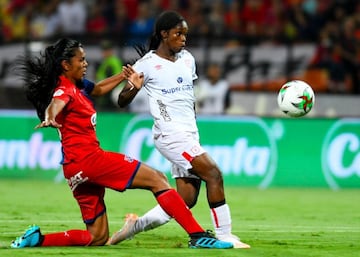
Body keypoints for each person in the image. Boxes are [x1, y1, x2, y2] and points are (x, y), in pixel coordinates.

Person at [10, 38, 233, 249]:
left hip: (73, 169)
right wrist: (50, 116)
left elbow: (97, 89)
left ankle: (38, 240)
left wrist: (123, 76)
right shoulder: (65, 89)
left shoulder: (77, 85)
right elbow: (57, 102)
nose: (86, 63)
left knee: (97, 236)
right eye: (81, 60)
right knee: (158, 179)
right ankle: (198, 236)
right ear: (66, 65)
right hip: (91, 161)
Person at [112, 11, 250, 249]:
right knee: (213, 174)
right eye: (178, 33)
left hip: (189, 132)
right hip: (170, 134)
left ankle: (135, 225)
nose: (183, 38)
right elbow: (122, 101)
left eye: (185, 34)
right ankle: (225, 235)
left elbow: (188, 97)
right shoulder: (146, 64)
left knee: (185, 200)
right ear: (164, 34)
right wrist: (133, 88)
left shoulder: (188, 59)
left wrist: (192, 126)